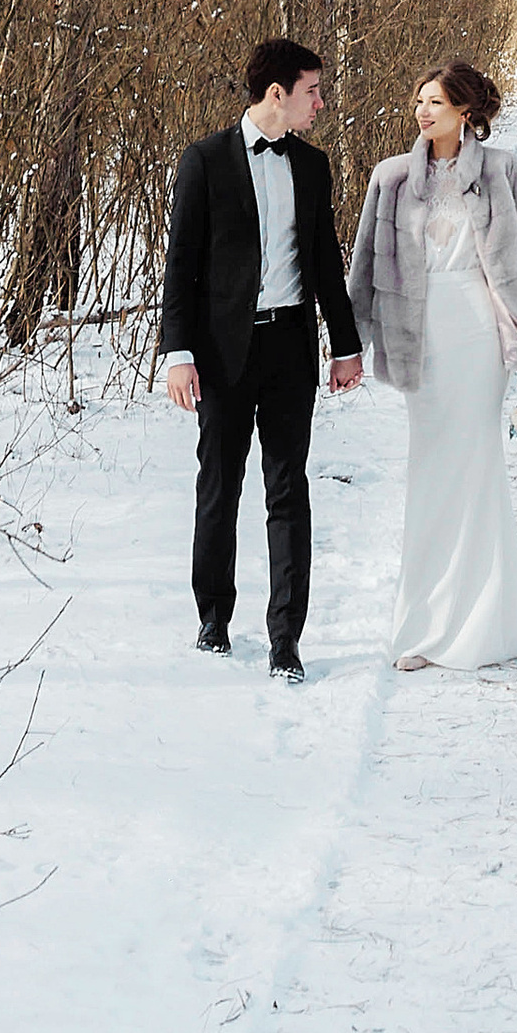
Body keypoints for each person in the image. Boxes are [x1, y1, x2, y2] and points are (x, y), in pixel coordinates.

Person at [159, 37, 363, 682]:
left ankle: (286, 639)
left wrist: (346, 341)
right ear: (276, 93)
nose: (319, 103)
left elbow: (326, 259)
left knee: (288, 490)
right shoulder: (205, 161)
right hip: (221, 353)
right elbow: (181, 267)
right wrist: (178, 352)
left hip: (289, 348)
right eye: (312, 91)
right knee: (220, 483)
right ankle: (213, 617)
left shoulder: (314, 165)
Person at [345, 60, 517, 671]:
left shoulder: (501, 171)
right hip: (418, 332)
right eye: (419, 101)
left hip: (476, 331)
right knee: (430, 470)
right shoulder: (390, 179)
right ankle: (423, 628)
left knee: (477, 467)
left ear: (466, 111)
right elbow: (363, 270)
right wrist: (351, 343)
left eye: (435, 102)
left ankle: (489, 623)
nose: (423, 111)